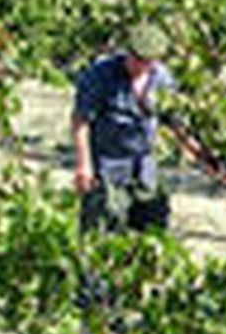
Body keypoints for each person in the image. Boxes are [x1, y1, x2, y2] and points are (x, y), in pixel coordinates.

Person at [71, 21, 206, 235]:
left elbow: (175, 122)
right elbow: (81, 120)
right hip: (107, 164)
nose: (139, 66)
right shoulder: (101, 74)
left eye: (146, 62)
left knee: (151, 228)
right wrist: (83, 165)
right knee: (102, 229)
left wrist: (201, 155)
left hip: (144, 167)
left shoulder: (162, 79)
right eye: (135, 59)